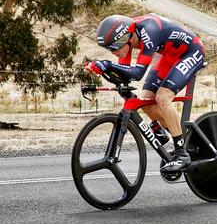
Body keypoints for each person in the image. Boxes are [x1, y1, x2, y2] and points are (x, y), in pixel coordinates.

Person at [85, 13, 205, 173]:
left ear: (127, 37)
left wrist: (107, 65)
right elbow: (124, 75)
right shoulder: (127, 41)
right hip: (171, 56)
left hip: (191, 52)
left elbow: (137, 73)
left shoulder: (148, 30)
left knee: (162, 98)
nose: (113, 52)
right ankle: (172, 131)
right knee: (145, 98)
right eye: (108, 48)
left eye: (114, 46)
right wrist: (102, 70)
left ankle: (182, 154)